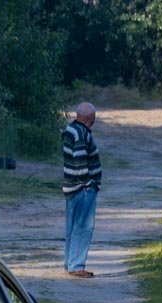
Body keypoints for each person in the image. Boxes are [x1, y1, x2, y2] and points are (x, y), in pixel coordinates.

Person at [63, 102, 101, 277]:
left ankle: (70, 263)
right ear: (90, 118)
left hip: (70, 187)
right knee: (84, 227)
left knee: (72, 228)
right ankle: (77, 266)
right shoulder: (81, 134)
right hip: (82, 188)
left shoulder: (70, 129)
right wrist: (87, 183)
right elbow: (79, 159)